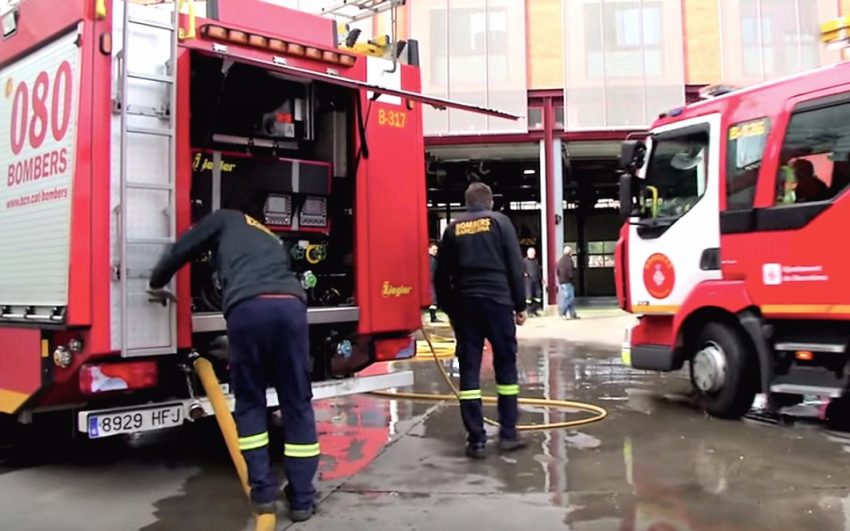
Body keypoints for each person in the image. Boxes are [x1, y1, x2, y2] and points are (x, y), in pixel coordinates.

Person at [146, 208, 318, 522]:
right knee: (297, 402)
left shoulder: (223, 218)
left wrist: (156, 282)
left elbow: (183, 248)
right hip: (291, 308)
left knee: (251, 401)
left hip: (248, 309)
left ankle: (263, 494)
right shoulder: (267, 234)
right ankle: (303, 499)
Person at [434, 182, 528, 459]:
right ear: (489, 202)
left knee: (470, 372)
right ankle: (508, 435)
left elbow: (441, 276)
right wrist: (520, 305)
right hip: (498, 303)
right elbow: (515, 264)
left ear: (467, 203)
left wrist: (451, 310)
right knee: (506, 367)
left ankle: (476, 440)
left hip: (465, 306)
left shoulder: (452, 228)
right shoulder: (500, 222)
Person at [557, 245, 579, 320]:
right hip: (567, 282)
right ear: (569, 252)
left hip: (562, 282)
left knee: (569, 297)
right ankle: (562, 312)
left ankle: (572, 314)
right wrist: (572, 279)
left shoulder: (560, 260)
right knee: (569, 298)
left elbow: (557, 271)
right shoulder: (569, 261)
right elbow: (570, 272)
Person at [523, 247, 543, 317]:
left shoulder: (536, 261)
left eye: (533, 253)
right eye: (531, 253)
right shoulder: (524, 261)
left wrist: (541, 279)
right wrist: (524, 273)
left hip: (536, 281)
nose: (533, 254)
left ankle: (535, 311)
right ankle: (529, 312)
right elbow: (521, 270)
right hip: (528, 282)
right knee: (529, 297)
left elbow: (538, 270)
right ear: (528, 253)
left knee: (538, 296)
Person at [428, 240, 442, 323]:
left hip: (430, 282)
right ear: (429, 249)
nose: (435, 252)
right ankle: (433, 317)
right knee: (434, 300)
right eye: (434, 250)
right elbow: (432, 273)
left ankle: (433, 317)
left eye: (436, 250)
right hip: (432, 282)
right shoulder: (432, 260)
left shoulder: (429, 259)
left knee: (433, 300)